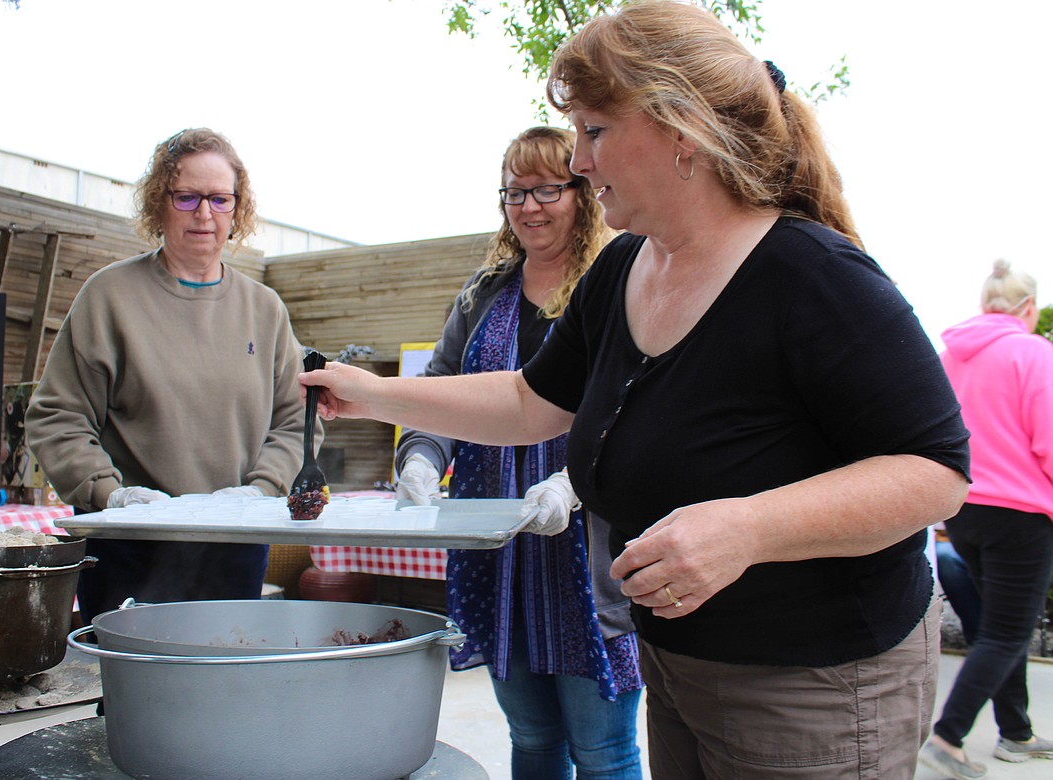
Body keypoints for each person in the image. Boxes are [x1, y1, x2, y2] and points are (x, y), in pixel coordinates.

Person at [299, 3, 971, 778]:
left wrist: (748, 529)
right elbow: (529, 402)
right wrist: (372, 395)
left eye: (594, 131)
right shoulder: (621, 271)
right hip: (676, 662)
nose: (580, 163)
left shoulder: (814, 278)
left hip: (816, 681)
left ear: (680, 131)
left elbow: (935, 471)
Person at [394, 126, 643, 780]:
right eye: (514, 193)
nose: (529, 207)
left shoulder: (619, 284)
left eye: (545, 190)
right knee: (532, 738)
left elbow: (639, 403)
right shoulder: (483, 295)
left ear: (582, 192)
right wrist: (419, 456)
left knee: (603, 751)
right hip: (501, 565)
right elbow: (440, 394)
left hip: (590, 557)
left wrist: (572, 479)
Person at [26, 128, 311, 624]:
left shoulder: (264, 310)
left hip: (233, 541)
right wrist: (108, 493)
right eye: (188, 197)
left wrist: (261, 491)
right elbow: (58, 416)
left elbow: (295, 423)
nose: (205, 214)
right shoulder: (109, 297)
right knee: (132, 691)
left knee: (220, 681)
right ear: (160, 203)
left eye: (220, 199)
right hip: (129, 545)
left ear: (236, 209)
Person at [920, 259, 1053, 778]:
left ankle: (1016, 732)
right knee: (1007, 632)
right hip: (1020, 515)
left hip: (964, 510)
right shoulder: (1033, 352)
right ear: (1028, 307)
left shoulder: (949, 357)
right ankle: (948, 739)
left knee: (1000, 627)